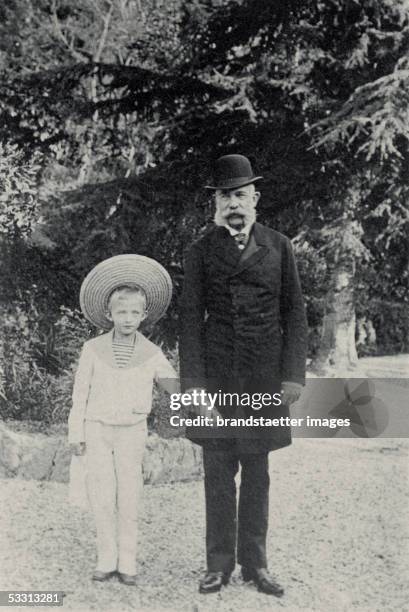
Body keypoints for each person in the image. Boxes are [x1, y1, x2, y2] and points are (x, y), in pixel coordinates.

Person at [179, 154, 308, 596]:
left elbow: (295, 312)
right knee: (217, 472)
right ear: (215, 203)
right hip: (216, 379)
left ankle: (256, 565)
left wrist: (293, 376)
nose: (233, 204)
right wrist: (193, 388)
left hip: (263, 378)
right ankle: (218, 565)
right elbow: (190, 321)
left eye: (240, 195)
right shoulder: (199, 251)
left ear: (255, 198)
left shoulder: (279, 246)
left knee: (257, 471)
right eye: (224, 196)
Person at [68, 254, 179, 585]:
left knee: (129, 495)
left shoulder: (151, 354)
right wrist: (77, 432)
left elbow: (174, 386)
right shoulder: (93, 349)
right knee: (102, 494)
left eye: (134, 312)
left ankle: (128, 560)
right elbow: (80, 393)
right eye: (121, 312)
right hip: (97, 428)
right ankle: (106, 557)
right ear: (109, 314)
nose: (128, 319)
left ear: (144, 315)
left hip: (132, 431)